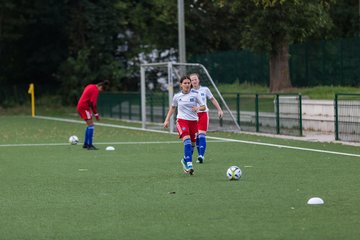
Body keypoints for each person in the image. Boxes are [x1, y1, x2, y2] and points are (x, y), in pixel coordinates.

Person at [163, 75, 206, 175]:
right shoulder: (177, 96)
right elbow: (173, 108)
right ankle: (190, 165)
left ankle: (185, 160)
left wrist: (198, 108)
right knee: (186, 142)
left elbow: (204, 107)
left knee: (192, 146)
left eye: (188, 83)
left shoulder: (196, 94)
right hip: (182, 121)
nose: (187, 85)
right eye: (185, 83)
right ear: (181, 85)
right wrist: (167, 120)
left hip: (193, 122)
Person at [189, 73, 224, 163]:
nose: (194, 81)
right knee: (196, 137)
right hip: (193, 117)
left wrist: (219, 109)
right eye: (192, 80)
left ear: (198, 80)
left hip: (203, 114)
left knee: (202, 135)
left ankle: (201, 156)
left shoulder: (205, 89)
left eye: (195, 79)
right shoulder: (189, 92)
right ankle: (199, 154)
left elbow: (212, 99)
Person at [77, 80, 110, 150]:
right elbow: (93, 103)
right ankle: (89, 145)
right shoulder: (95, 90)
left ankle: (86, 144)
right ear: (100, 86)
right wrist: (96, 114)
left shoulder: (90, 85)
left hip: (82, 106)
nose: (101, 91)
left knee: (89, 125)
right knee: (91, 125)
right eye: (102, 89)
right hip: (84, 107)